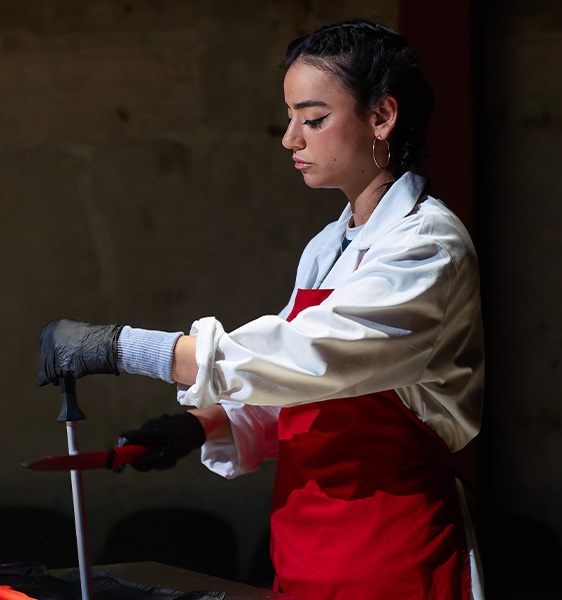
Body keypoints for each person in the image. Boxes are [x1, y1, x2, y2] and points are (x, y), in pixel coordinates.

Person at [35, 18, 484, 600]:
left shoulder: (427, 246)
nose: (290, 138)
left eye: (313, 119)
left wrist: (121, 346)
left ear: (382, 117)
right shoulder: (330, 246)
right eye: (291, 116)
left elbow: (310, 357)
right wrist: (200, 424)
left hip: (393, 550)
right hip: (305, 545)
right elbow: (296, 390)